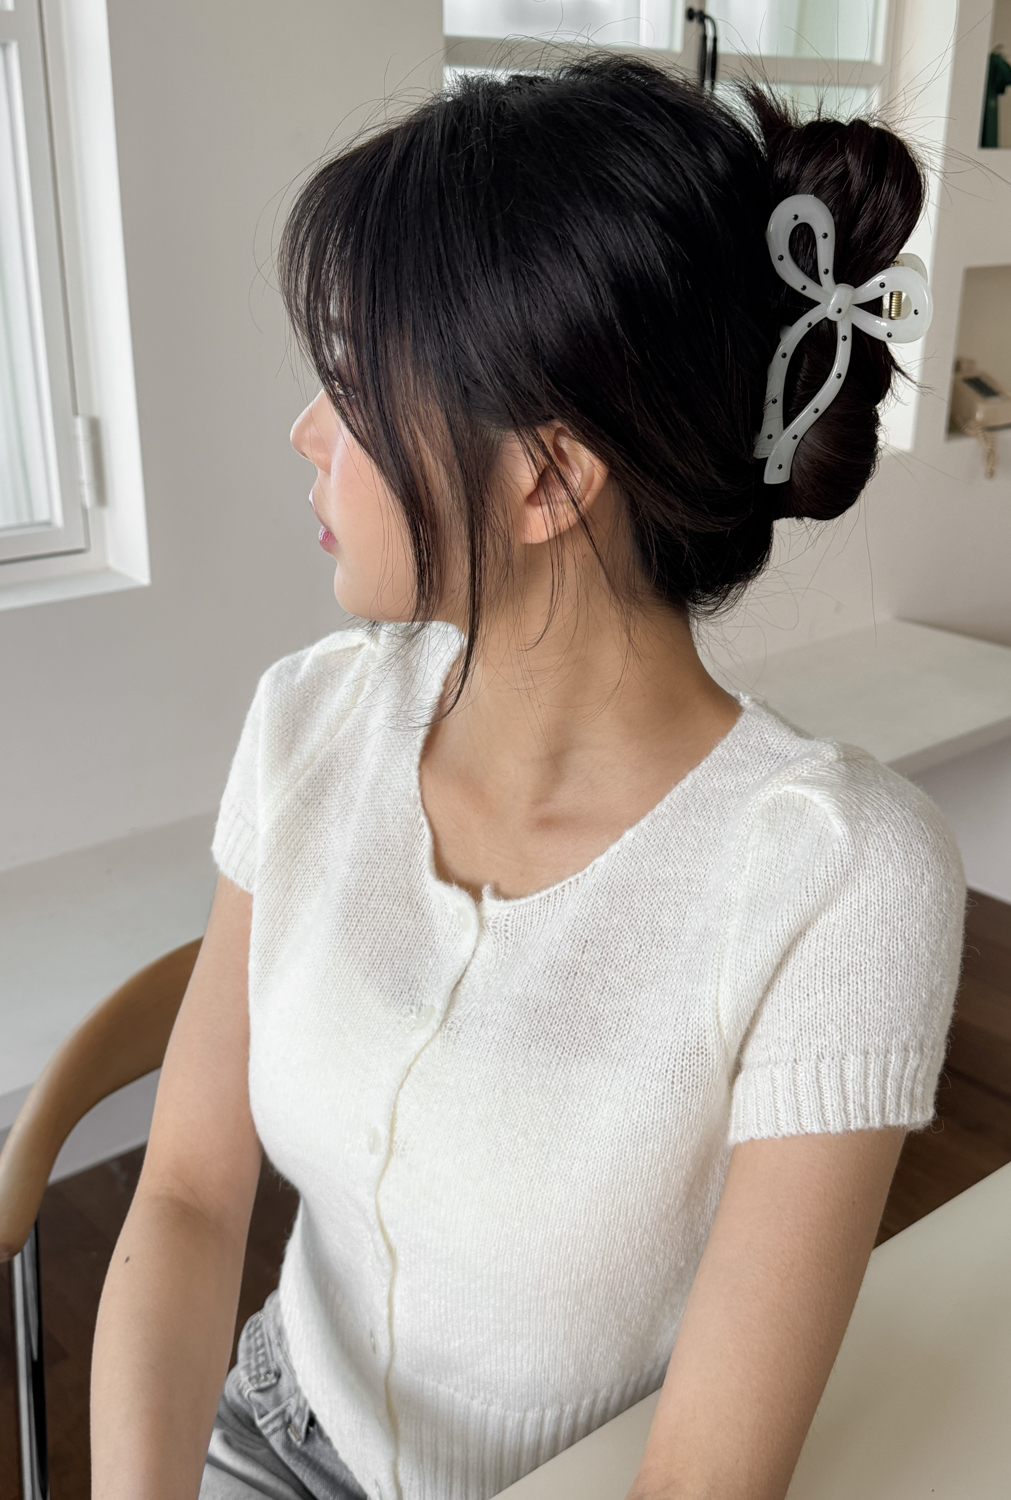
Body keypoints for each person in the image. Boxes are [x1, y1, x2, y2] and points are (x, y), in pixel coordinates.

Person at [90, 56, 965, 1500]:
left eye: (355, 384)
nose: (307, 433)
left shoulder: (839, 878)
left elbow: (701, 1481)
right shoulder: (310, 722)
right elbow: (185, 1193)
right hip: (279, 1430)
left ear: (548, 480)